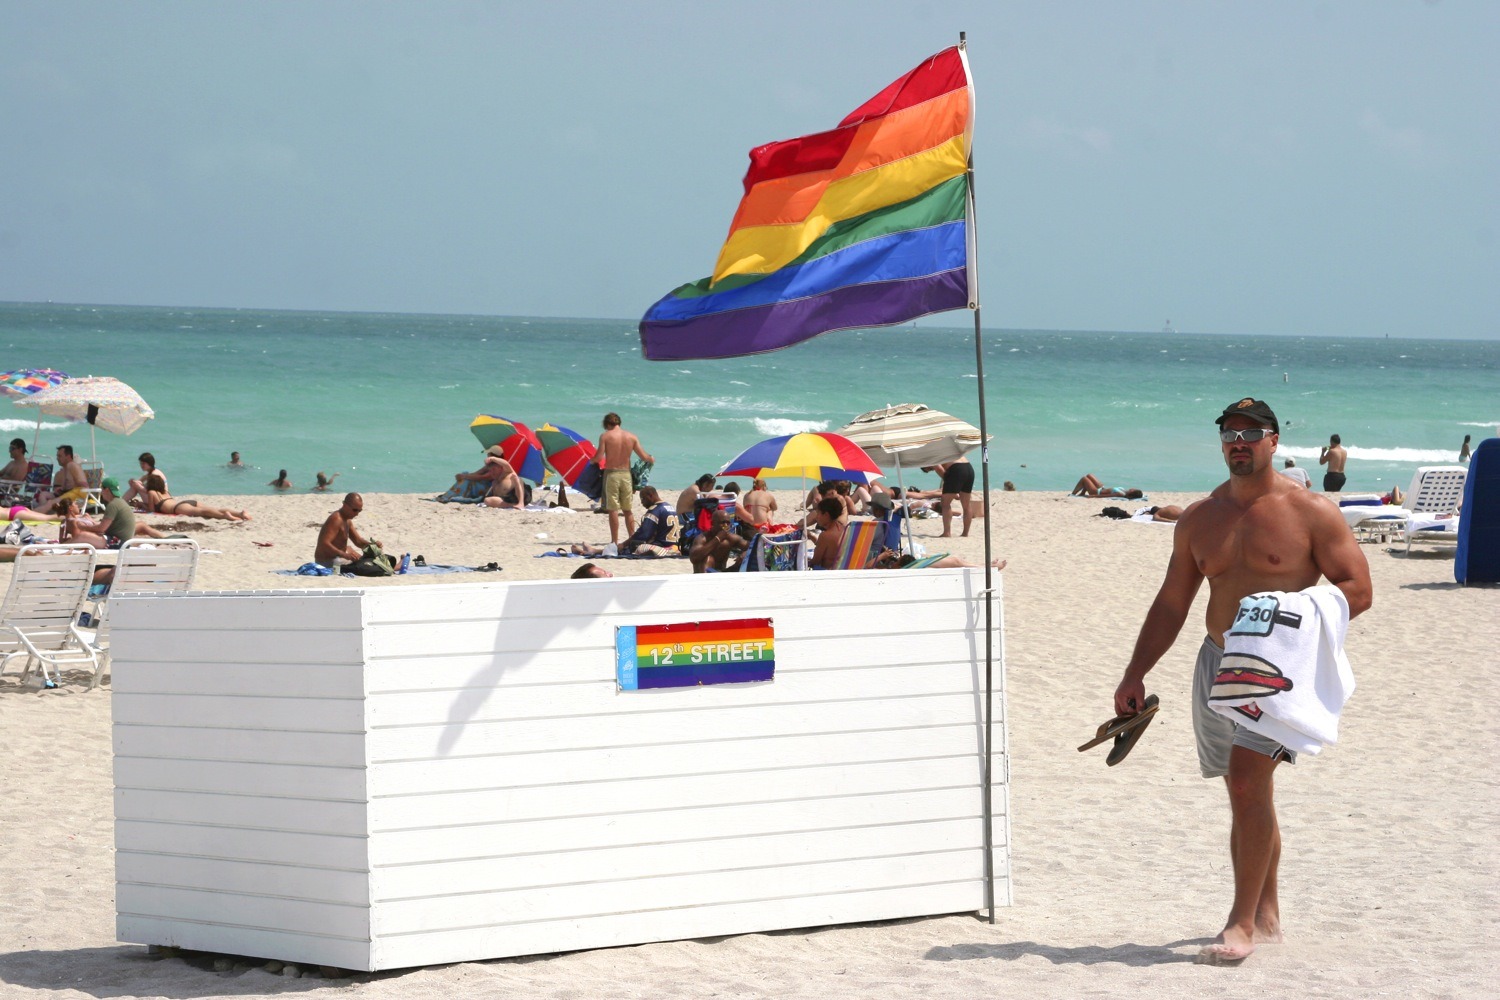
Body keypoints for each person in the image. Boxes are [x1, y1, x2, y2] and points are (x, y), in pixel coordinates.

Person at [1109, 398, 1371, 965]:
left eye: (1252, 433)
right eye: (1230, 433)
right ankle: (1269, 904)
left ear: (1275, 442)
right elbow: (1173, 601)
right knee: (1247, 788)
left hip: (1279, 669)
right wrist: (1136, 671)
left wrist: (1292, 613)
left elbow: (1358, 589)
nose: (1239, 442)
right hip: (1216, 662)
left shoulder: (1312, 513)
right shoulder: (1200, 518)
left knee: (1248, 784)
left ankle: (1241, 923)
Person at [594, 412, 654, 545]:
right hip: (626, 475)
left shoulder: (605, 436)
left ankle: (614, 541)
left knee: (613, 509)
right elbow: (644, 457)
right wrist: (651, 459)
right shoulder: (631, 437)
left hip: (612, 474)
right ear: (619, 423)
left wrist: (591, 461)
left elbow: (598, 458)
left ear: (607, 424)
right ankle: (632, 538)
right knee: (627, 509)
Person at [59, 477, 135, 549]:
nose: (101, 493)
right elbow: (104, 527)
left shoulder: (113, 505)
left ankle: (62, 547)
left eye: (102, 489)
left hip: (117, 543)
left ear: (107, 490)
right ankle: (64, 546)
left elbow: (101, 529)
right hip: (121, 541)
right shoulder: (120, 502)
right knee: (87, 536)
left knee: (83, 536)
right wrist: (92, 523)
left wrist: (83, 527)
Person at [142, 473, 250, 521]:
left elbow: (151, 510)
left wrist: (141, 505)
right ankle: (239, 513)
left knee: (204, 513)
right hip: (188, 502)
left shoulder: (152, 492)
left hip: (178, 508)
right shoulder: (165, 491)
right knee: (212, 509)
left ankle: (224, 516)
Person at [316, 492, 376, 565]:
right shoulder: (336, 519)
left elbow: (358, 541)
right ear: (344, 505)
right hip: (328, 561)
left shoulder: (347, 521)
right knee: (368, 565)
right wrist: (344, 555)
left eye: (359, 510)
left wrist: (373, 545)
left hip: (339, 558)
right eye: (354, 510)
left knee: (372, 561)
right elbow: (324, 543)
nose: (357, 513)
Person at [688, 508, 747, 573]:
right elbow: (694, 558)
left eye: (728, 523)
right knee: (708, 558)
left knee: (746, 560)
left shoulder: (731, 538)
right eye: (722, 523)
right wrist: (718, 538)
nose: (725, 526)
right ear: (712, 523)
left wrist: (746, 553)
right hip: (704, 573)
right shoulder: (703, 538)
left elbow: (753, 546)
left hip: (722, 572)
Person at [38, 445, 88, 513]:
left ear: (68, 456)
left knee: (50, 503)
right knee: (43, 495)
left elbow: (82, 484)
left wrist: (69, 489)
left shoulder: (72, 465)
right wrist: (62, 489)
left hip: (77, 494)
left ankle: (36, 513)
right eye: (57, 456)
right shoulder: (66, 467)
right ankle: (46, 512)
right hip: (68, 493)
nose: (57, 458)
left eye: (60, 456)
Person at [807, 497, 847, 570]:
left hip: (827, 573)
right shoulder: (845, 530)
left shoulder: (826, 535)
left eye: (818, 513)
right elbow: (831, 548)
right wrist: (813, 538)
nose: (816, 517)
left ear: (826, 515)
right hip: (844, 570)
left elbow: (815, 561)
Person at [1069, 473, 1144, 500]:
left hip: (1096, 492)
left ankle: (1073, 494)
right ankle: (1083, 492)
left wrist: (1093, 496)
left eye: (1134, 489)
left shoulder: (1121, 494)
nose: (1133, 488)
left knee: (1084, 479)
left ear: (1132, 492)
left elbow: (1107, 496)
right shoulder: (1124, 491)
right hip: (1102, 488)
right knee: (1089, 475)